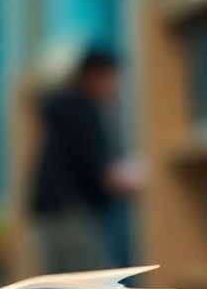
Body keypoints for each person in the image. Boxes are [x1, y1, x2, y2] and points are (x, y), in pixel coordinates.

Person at [29, 46, 145, 273]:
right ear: (94, 76)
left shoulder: (66, 109)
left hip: (55, 214)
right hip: (72, 214)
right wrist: (135, 177)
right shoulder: (83, 111)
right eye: (112, 78)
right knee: (94, 288)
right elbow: (103, 174)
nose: (116, 87)